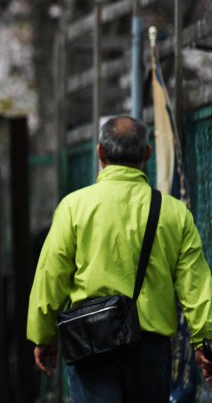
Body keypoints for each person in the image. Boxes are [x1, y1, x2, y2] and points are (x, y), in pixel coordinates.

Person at [27, 116, 212, 400]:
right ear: (147, 153)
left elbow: (51, 275)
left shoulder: (74, 207)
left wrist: (44, 336)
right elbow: (196, 286)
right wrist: (205, 342)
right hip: (151, 348)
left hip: (91, 343)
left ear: (100, 152)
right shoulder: (174, 213)